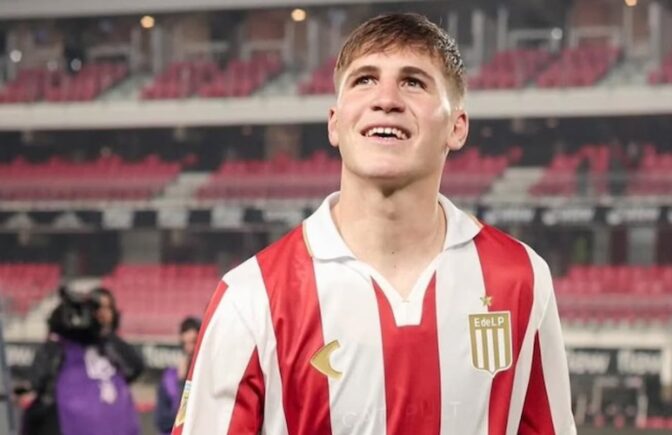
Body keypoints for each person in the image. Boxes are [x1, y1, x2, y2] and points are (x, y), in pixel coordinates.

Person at [174, 13, 575, 435]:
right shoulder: (251, 296)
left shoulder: (521, 277)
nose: (386, 99)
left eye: (413, 82)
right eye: (364, 80)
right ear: (335, 122)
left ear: (456, 127)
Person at [21, 286, 144, 435]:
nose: (100, 313)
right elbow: (38, 380)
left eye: (106, 308)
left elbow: (135, 368)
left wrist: (103, 333)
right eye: (95, 308)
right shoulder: (58, 348)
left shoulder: (112, 347)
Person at [155, 316, 201, 435]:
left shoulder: (206, 376)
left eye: (193, 342)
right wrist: (181, 382)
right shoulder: (170, 378)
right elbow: (163, 420)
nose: (189, 349)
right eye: (185, 343)